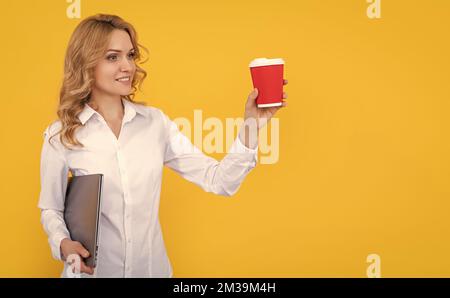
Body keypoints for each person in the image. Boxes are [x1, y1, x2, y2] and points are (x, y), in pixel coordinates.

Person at [38, 13, 288, 278]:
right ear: (86, 63)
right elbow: (51, 208)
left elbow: (219, 181)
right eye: (113, 57)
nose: (127, 66)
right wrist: (62, 244)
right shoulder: (62, 134)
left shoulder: (155, 124)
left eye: (130, 55)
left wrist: (252, 124)